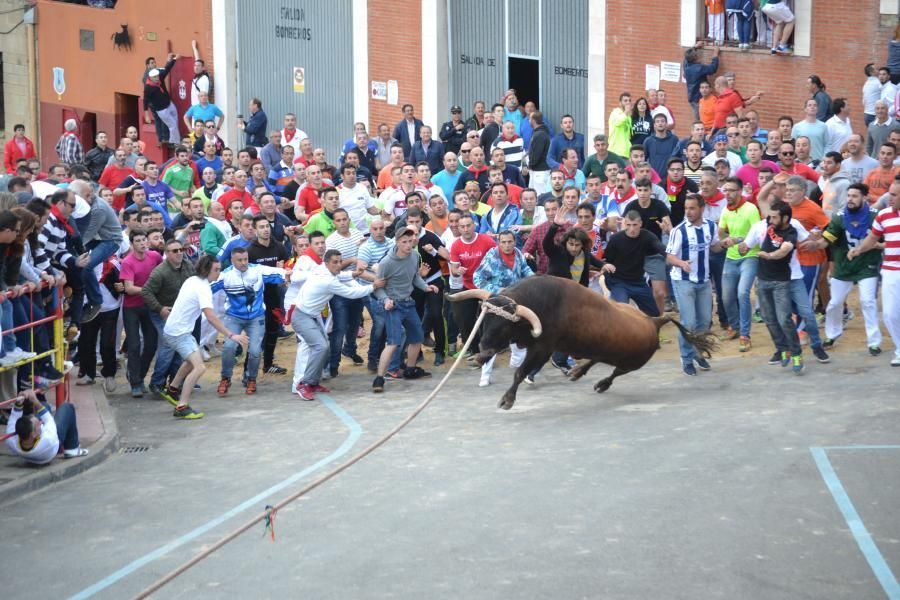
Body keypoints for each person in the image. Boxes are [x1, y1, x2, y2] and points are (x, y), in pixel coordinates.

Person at [157, 255, 248, 419]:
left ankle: (172, 389)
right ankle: (181, 406)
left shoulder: (192, 280)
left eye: (220, 269)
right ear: (206, 269)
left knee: (190, 362)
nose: (219, 273)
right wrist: (231, 335)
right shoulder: (203, 288)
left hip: (176, 330)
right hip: (179, 333)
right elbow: (211, 317)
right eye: (216, 270)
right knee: (199, 367)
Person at [800, 183, 882, 354]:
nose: (850, 199)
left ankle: (874, 342)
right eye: (849, 196)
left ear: (864, 198)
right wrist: (816, 244)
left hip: (867, 265)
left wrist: (877, 246)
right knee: (834, 303)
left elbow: (887, 239)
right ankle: (832, 334)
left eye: (854, 196)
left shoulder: (876, 216)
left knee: (867, 301)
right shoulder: (839, 217)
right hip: (843, 265)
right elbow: (827, 239)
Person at [293, 250, 382, 400]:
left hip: (311, 316)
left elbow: (340, 275)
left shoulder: (323, 270)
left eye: (340, 261)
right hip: (302, 317)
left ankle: (313, 382)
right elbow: (352, 293)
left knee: (323, 347)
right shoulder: (328, 281)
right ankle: (305, 384)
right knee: (321, 347)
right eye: (335, 262)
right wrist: (374, 286)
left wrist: (354, 274)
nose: (339, 265)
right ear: (326, 263)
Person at [739, 200, 804, 372]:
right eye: (770, 216)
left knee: (784, 319)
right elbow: (748, 242)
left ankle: (796, 353)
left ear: (785, 218)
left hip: (781, 282)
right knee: (769, 319)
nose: (770, 219)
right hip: (763, 280)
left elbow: (785, 250)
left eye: (775, 217)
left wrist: (769, 255)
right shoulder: (769, 223)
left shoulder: (791, 232)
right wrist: (743, 246)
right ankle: (783, 349)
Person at [371, 226, 439, 392]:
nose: (409, 245)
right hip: (393, 305)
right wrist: (386, 300)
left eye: (411, 241)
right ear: (397, 242)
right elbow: (378, 287)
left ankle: (410, 369)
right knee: (393, 342)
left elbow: (415, 276)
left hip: (408, 303)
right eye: (404, 242)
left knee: (417, 337)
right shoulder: (387, 262)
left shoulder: (415, 256)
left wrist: (426, 287)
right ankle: (379, 378)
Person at [666, 194, 721, 375]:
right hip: (683, 281)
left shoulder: (711, 226)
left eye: (692, 208)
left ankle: (698, 353)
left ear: (701, 209)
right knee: (688, 322)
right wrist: (682, 263)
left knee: (704, 322)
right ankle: (687, 357)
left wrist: (725, 244)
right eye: (686, 208)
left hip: (704, 281)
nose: (688, 212)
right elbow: (669, 257)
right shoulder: (679, 231)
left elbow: (713, 246)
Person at [847, 179, 900, 366]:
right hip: (891, 271)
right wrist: (859, 249)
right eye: (889, 193)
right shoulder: (884, 215)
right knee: (890, 314)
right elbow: (872, 238)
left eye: (893, 195)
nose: (889, 198)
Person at [473, 230, 533, 386]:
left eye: (510, 242)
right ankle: (485, 375)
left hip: (516, 303)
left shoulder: (518, 253)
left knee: (520, 336)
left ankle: (517, 365)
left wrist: (534, 280)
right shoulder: (492, 256)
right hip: (496, 305)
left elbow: (525, 270)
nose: (507, 245)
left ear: (515, 242)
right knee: (492, 340)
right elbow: (477, 278)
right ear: (498, 242)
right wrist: (498, 291)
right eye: (503, 242)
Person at [141, 239, 196, 396]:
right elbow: (146, 292)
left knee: (179, 346)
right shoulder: (160, 272)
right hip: (162, 312)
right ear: (166, 254)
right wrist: (160, 309)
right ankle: (156, 382)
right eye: (174, 251)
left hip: (180, 313)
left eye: (181, 250)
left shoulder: (187, 266)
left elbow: (194, 282)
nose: (179, 253)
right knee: (168, 345)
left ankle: (174, 382)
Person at [718, 176, 761, 351]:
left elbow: (759, 234)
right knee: (726, 297)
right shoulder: (725, 210)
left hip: (750, 256)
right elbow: (721, 232)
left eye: (731, 190)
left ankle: (745, 334)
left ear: (739, 191)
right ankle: (734, 327)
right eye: (725, 190)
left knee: (742, 293)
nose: (727, 194)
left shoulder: (751, 209)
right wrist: (725, 240)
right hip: (731, 258)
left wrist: (739, 239)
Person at [120, 229, 163, 397]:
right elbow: (129, 288)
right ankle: (136, 383)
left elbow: (163, 270)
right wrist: (149, 290)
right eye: (137, 241)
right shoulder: (127, 262)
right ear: (131, 244)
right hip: (131, 308)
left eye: (143, 240)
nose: (142, 243)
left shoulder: (154, 256)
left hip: (150, 306)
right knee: (134, 345)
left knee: (151, 344)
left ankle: (138, 377)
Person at [602, 210, 667, 316]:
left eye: (635, 225)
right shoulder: (615, 239)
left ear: (640, 224)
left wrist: (677, 260)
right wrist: (611, 284)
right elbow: (606, 262)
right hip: (619, 282)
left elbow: (663, 250)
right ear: (624, 224)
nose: (632, 229)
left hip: (638, 282)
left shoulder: (647, 236)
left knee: (654, 313)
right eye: (628, 225)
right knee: (622, 313)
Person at [5, 391, 88, 464]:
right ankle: (72, 448)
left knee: (44, 405)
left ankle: (37, 414)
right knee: (67, 407)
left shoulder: (11, 440)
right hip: (54, 445)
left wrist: (19, 402)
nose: (41, 423)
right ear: (33, 434)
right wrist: (35, 400)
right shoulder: (48, 439)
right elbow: (49, 420)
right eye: (38, 424)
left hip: (31, 453)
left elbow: (13, 418)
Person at [143, 54, 180, 145]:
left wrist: (174, 59)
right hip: (161, 109)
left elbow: (167, 69)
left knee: (175, 121)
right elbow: (145, 100)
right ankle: (175, 142)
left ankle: (171, 139)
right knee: (171, 125)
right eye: (154, 77)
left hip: (169, 104)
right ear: (150, 78)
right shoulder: (148, 87)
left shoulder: (160, 76)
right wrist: (147, 115)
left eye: (157, 76)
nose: (157, 78)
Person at [683, 45, 720, 120]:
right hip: (698, 99)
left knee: (699, 119)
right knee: (701, 121)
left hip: (692, 98)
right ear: (696, 57)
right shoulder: (699, 68)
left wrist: (694, 47)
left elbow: (686, 58)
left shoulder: (686, 66)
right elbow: (712, 69)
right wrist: (715, 54)